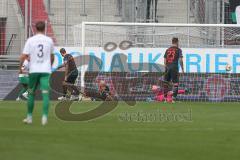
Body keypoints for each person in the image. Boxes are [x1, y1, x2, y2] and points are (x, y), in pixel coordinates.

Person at [19, 21, 55, 125]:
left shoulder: (31, 40)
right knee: (45, 94)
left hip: (34, 70)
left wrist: (20, 67)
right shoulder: (49, 40)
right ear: (44, 28)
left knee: (31, 93)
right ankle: (44, 118)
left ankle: (29, 117)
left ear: (35, 28)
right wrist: (50, 66)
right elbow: (52, 56)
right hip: (45, 71)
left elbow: (23, 56)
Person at [163, 37, 184, 103]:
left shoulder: (167, 50)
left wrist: (166, 67)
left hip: (167, 67)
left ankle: (165, 99)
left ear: (172, 42)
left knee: (166, 83)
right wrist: (182, 69)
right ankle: (173, 99)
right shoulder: (178, 50)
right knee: (175, 83)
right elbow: (180, 60)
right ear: (177, 42)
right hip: (174, 67)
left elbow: (165, 60)